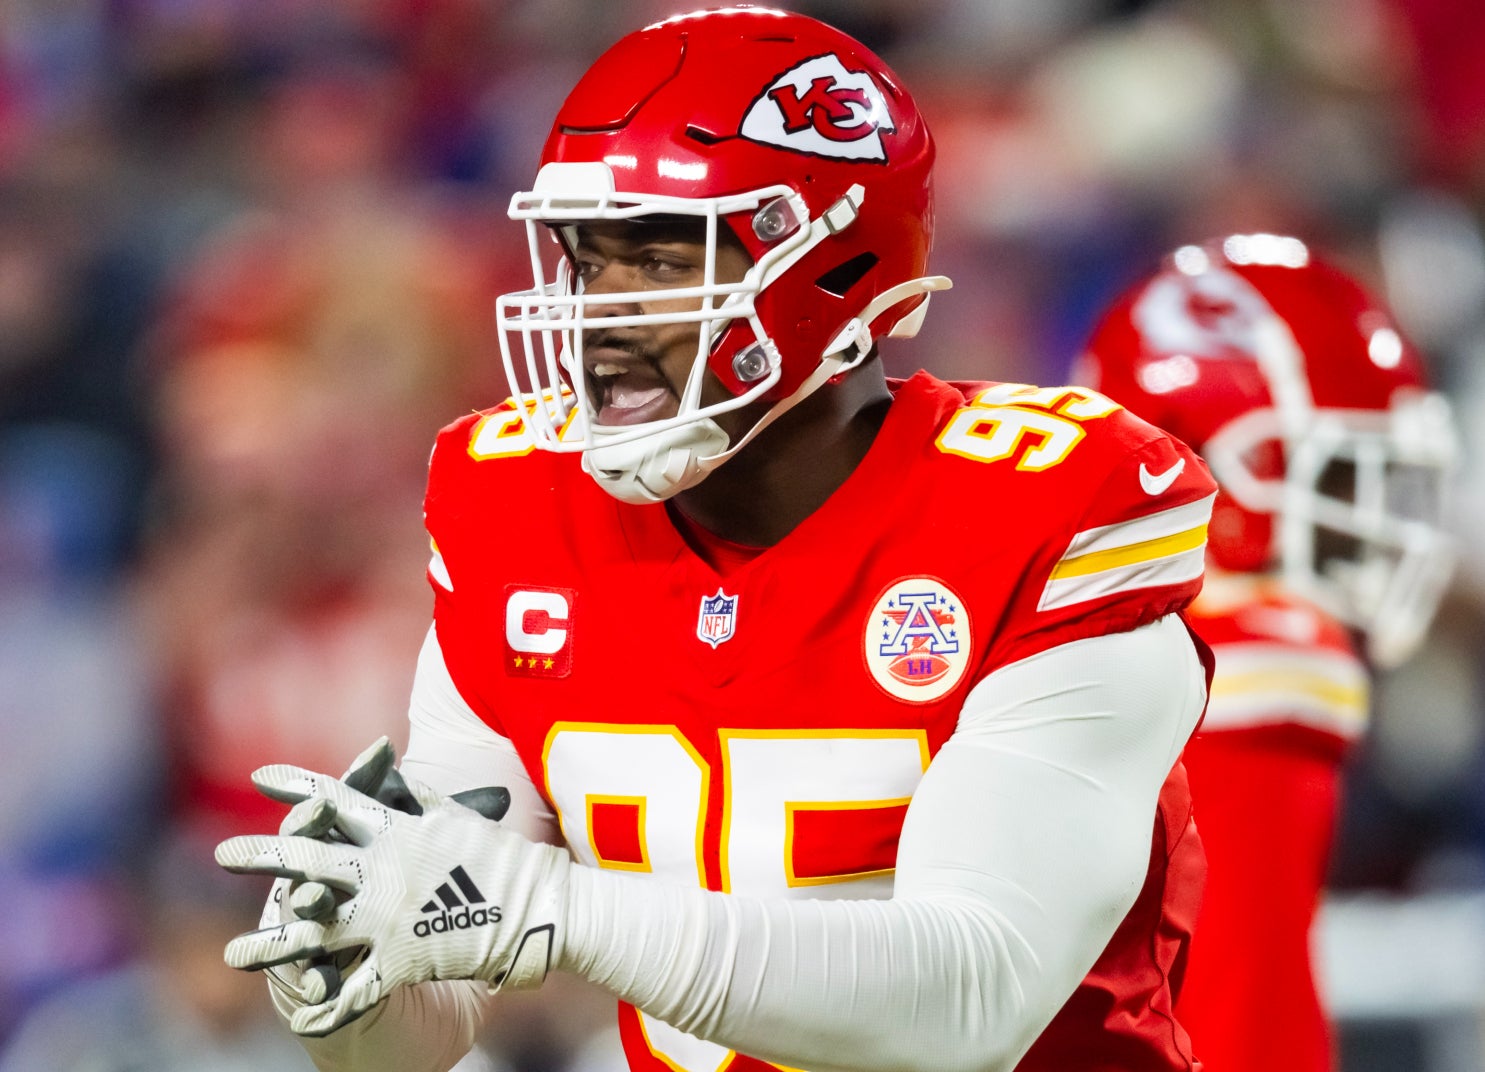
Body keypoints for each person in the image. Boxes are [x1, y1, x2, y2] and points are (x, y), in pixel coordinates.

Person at [214, 9, 1221, 1072]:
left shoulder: (1051, 512)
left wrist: (545, 902)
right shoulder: (516, 505)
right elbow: (433, 1005)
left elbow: (967, 1001)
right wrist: (343, 979)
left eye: (658, 257)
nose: (600, 313)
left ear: (837, 265)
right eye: (585, 259)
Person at [1073, 232, 1459, 1071]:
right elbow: (1250, 1036)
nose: (1369, 524)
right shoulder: (1258, 667)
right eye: (1337, 482)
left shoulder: (1039, 640)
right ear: (1214, 474)